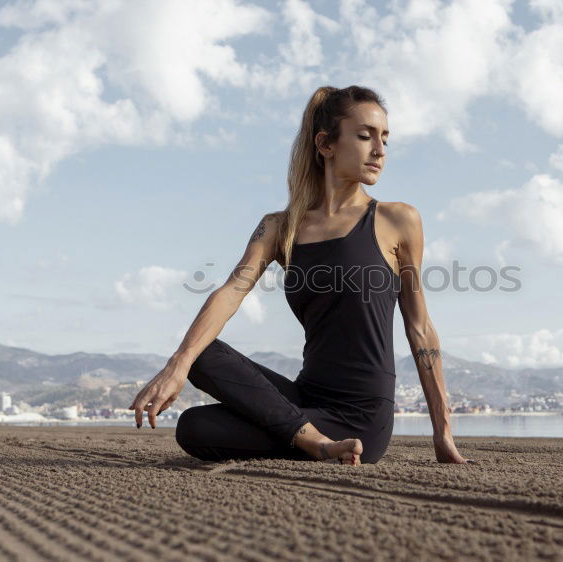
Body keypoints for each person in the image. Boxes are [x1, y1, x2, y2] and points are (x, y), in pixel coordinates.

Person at [129, 85, 472, 466]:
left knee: (204, 423)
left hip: (361, 417)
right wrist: (178, 363)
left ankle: (314, 441)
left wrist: (443, 433)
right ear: (325, 144)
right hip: (304, 400)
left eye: (385, 139)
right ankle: (314, 442)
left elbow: (420, 327)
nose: (379, 150)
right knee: (197, 387)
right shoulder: (280, 228)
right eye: (364, 136)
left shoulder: (398, 220)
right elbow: (231, 292)